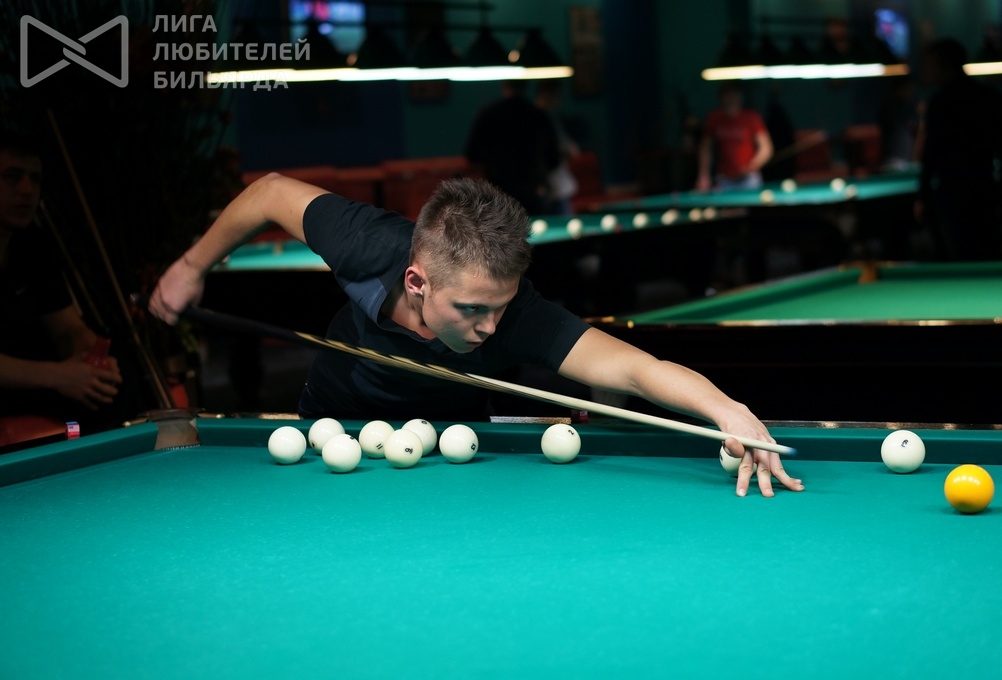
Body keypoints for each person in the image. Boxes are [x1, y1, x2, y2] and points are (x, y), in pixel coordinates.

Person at [149, 174, 805, 499]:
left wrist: (725, 409)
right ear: (417, 281)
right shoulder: (362, 242)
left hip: (453, 443)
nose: (490, 327)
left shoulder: (518, 316)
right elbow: (268, 193)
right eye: (471, 309)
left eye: (501, 307)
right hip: (331, 425)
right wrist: (191, 266)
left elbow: (634, 368)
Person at [0, 133, 126, 430]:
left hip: (32, 387)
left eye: (35, 179)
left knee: (116, 383)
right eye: (12, 177)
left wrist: (93, 358)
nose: (27, 189)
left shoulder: (33, 245)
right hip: (16, 387)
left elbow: (67, 327)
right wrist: (59, 376)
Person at [914, 38, 1002, 261]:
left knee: (959, 257)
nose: (926, 70)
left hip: (952, 196)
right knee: (988, 254)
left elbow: (930, 156)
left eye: (930, 64)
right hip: (985, 191)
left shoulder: (939, 103)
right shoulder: (990, 97)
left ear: (946, 65)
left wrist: (922, 197)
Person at [464, 80, 560, 215]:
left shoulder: (489, 114)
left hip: (499, 192)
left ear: (503, 86)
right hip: (532, 191)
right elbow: (554, 158)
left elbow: (472, 154)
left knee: (503, 227)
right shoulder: (538, 115)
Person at [696, 82, 774, 191]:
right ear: (721, 97)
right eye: (727, 95)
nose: (731, 99)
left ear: (740, 96)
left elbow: (766, 148)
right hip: (724, 178)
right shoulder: (714, 118)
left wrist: (752, 165)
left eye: (734, 95)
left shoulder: (751, 117)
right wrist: (703, 175)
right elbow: (705, 148)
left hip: (749, 178)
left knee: (747, 202)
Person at [534, 79, 580, 215]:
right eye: (558, 95)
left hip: (551, 184)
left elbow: (572, 150)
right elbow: (571, 150)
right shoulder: (541, 117)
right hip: (548, 184)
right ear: (548, 94)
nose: (560, 99)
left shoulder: (547, 116)